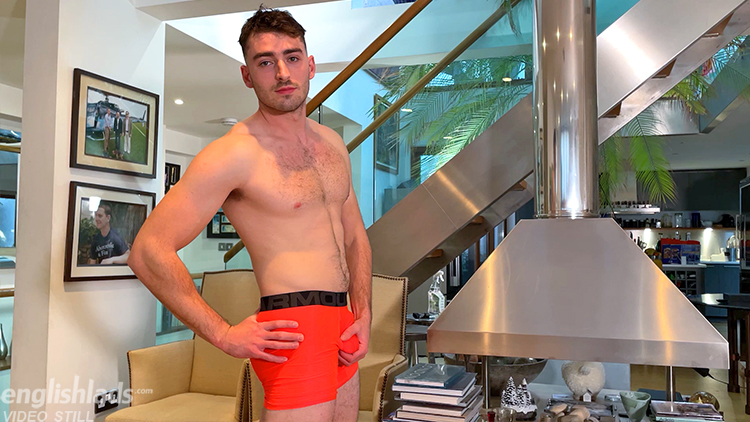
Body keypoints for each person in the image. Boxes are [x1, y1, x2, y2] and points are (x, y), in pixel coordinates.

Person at [128, 7, 371, 422]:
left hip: (344, 324)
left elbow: (354, 235)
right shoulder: (233, 153)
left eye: (292, 57)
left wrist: (363, 313)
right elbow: (148, 251)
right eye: (265, 62)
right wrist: (223, 334)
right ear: (247, 75)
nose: (282, 72)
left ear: (310, 65)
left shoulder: (332, 144)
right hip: (292, 329)